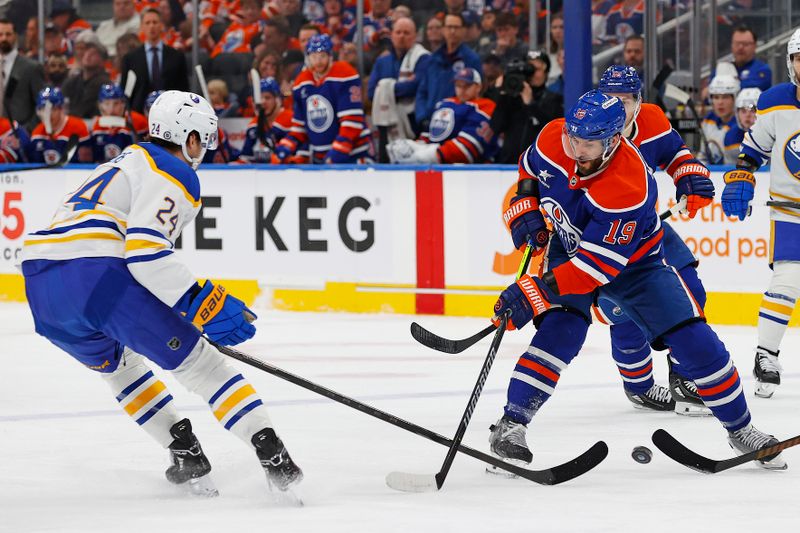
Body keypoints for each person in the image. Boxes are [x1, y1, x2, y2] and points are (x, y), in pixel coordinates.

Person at [20, 90, 303, 497]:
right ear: (188, 138)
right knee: (203, 367)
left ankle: (184, 451)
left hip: (42, 289)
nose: (202, 149)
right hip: (96, 275)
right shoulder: (174, 168)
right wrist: (202, 303)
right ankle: (273, 457)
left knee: (119, 367)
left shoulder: (120, 162)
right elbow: (146, 253)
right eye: (202, 139)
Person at [488, 89, 786, 472]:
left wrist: (535, 291)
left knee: (696, 342)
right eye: (572, 138)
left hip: (634, 266)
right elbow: (529, 169)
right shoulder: (552, 137)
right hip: (568, 246)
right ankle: (512, 424)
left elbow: (596, 269)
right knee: (560, 333)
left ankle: (741, 428)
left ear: (614, 141)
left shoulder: (629, 183)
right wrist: (524, 206)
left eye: (588, 144)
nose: (576, 150)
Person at [596, 65, 715, 415]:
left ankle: (683, 375)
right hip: (604, 236)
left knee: (691, 290)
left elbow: (676, 154)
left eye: (625, 101)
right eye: (610, 100)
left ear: (639, 101)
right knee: (625, 312)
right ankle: (639, 385)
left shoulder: (652, 119)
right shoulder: (585, 129)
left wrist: (690, 177)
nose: (618, 108)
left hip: (647, 227)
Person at [721, 29, 800, 399]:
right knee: (787, 280)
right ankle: (766, 355)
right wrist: (741, 176)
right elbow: (752, 149)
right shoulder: (775, 102)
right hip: (791, 213)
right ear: (790, 63)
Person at [274, 34, 372, 164]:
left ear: (330, 56)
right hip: (321, 156)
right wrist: (286, 146)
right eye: (314, 57)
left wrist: (340, 148)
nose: (318, 61)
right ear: (308, 58)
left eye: (322, 56)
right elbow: (300, 126)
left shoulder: (345, 74)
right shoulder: (301, 82)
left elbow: (352, 120)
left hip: (354, 153)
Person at [387, 67, 498, 164]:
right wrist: (415, 147)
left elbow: (467, 147)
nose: (462, 90)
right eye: (458, 85)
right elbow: (430, 135)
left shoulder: (486, 107)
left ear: (478, 87)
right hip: (439, 164)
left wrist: (431, 155)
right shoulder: (444, 103)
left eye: (467, 86)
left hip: (473, 170)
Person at [488, 51, 563, 164]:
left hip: (538, 167)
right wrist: (503, 94)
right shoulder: (511, 97)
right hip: (509, 165)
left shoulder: (553, 99)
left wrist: (530, 104)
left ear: (546, 73)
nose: (532, 73)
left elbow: (553, 131)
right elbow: (495, 127)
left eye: (536, 69)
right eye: (529, 69)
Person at [415, 13, 482, 127]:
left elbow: (474, 94)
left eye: (456, 27)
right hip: (429, 121)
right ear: (443, 30)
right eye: (449, 27)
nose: (452, 31)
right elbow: (422, 92)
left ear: (464, 30)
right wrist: (422, 117)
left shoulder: (472, 59)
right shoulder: (432, 59)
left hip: (457, 122)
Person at [368, 16, 430, 139]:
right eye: (398, 32)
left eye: (406, 33)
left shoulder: (423, 58)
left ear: (415, 36)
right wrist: (401, 87)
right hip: (386, 125)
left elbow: (414, 88)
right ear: (391, 35)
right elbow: (371, 93)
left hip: (414, 124)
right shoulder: (382, 61)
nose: (402, 36)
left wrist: (384, 88)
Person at [121, 8, 190, 113]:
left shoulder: (177, 56)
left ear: (161, 25)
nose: (151, 26)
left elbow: (183, 89)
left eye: (155, 22)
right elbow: (126, 92)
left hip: (170, 113)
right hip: (139, 115)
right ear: (142, 27)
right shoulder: (130, 59)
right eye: (147, 23)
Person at [238, 77, 303, 163]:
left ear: (277, 99)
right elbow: (246, 157)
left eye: (267, 97)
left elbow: (302, 153)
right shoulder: (253, 125)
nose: (263, 102)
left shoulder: (292, 120)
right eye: (259, 98)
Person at [27, 86, 92, 164]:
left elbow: (87, 162)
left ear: (61, 109)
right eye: (43, 110)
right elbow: (35, 165)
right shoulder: (37, 133)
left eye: (53, 109)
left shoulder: (78, 127)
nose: (48, 115)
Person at [0, 17, 44, 130]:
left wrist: (25, 132)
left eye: (8, 34)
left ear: (15, 36)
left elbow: (41, 105)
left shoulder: (31, 68)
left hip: (20, 137)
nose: (4, 38)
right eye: (0, 34)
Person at [90, 83, 148, 163]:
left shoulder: (138, 121)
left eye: (116, 103)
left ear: (123, 104)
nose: (111, 109)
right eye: (107, 104)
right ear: (100, 105)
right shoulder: (97, 124)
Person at [61, 40, 112, 118]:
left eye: (93, 54)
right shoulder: (72, 81)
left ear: (102, 61)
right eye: (86, 52)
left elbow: (83, 109)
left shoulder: (104, 83)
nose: (88, 55)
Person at [702, 74, 739, 165]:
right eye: (716, 97)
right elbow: (703, 155)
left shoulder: (741, 126)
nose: (720, 102)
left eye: (725, 97)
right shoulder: (708, 120)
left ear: (735, 99)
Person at [723, 87, 760, 165]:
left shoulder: (771, 134)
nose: (747, 115)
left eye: (752, 111)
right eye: (743, 111)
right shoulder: (731, 136)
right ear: (737, 114)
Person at [729, 26, 771, 91]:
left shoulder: (763, 70)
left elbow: (754, 88)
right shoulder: (723, 69)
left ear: (755, 46)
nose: (740, 47)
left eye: (745, 44)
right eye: (737, 43)